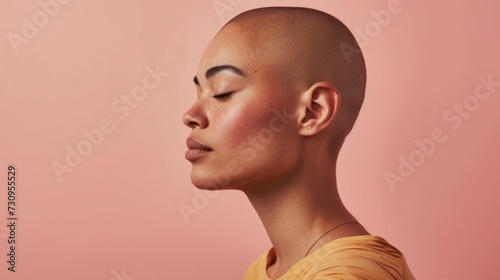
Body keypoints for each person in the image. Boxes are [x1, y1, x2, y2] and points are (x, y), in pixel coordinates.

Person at [183, 6, 416, 280]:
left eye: (222, 92)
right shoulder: (265, 270)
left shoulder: (349, 275)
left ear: (313, 111)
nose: (190, 116)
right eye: (199, 93)